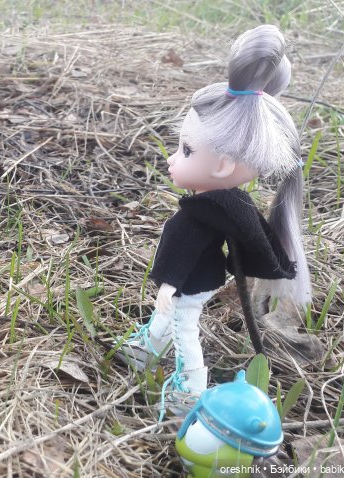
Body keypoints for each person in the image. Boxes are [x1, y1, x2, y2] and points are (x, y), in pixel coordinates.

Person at [118, 25, 311, 411]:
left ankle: (190, 386)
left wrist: (167, 286)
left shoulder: (201, 214)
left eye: (186, 150)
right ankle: (145, 349)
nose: (172, 159)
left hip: (191, 282)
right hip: (201, 279)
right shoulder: (229, 205)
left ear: (223, 166)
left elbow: (181, 251)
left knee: (183, 326)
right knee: (170, 322)